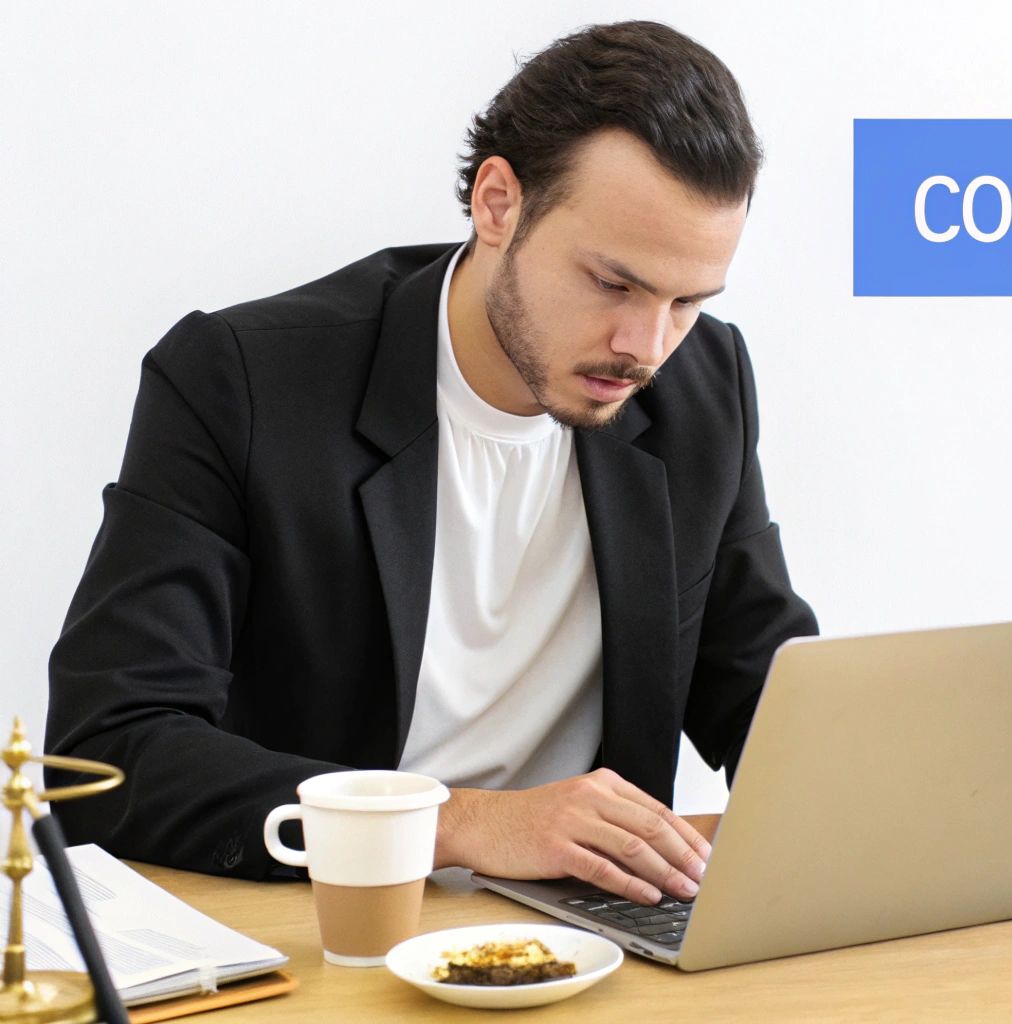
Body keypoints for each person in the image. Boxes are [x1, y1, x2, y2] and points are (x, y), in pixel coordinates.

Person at [44, 21, 816, 907]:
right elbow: (102, 754)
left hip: (595, 943)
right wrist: (456, 822)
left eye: (686, 300)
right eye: (614, 283)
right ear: (498, 203)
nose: (646, 347)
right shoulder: (241, 381)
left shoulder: (703, 389)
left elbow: (766, 697)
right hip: (332, 930)